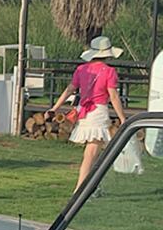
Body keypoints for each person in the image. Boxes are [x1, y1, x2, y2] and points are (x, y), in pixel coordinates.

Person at [48, 35, 127, 190]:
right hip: (98, 111)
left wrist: (54, 107)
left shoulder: (81, 69)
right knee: (91, 153)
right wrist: (122, 118)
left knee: (94, 153)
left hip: (84, 111)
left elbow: (69, 90)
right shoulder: (109, 71)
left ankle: (93, 187)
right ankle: (80, 189)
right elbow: (113, 96)